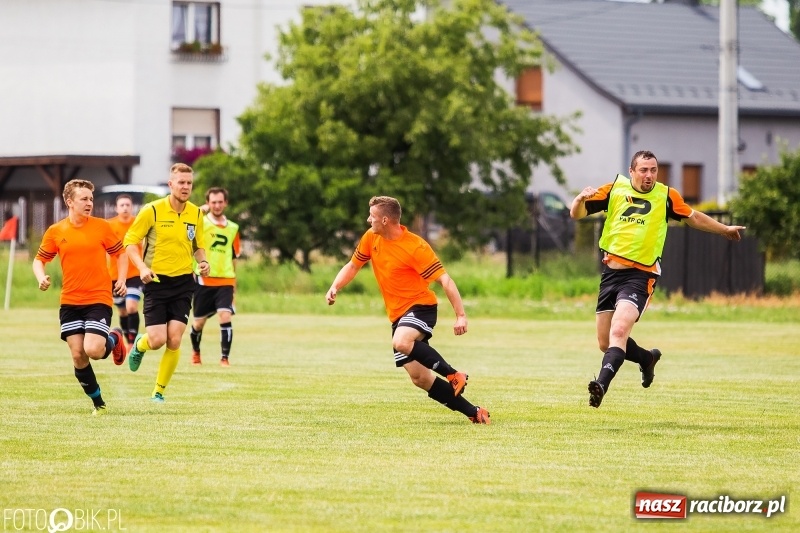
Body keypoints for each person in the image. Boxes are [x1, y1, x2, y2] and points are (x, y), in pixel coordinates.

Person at [570, 150, 745, 408]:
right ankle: (647, 359)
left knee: (619, 330)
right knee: (605, 342)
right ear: (632, 171)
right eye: (643, 170)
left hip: (641, 275)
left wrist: (724, 229)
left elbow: (693, 217)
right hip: (610, 274)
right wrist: (578, 199)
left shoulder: (666, 196)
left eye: (653, 170)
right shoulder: (614, 189)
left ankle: (601, 385)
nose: (649, 175)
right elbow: (577, 214)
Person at [326, 196, 490, 424]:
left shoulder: (416, 246)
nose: (367, 220)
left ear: (385, 219)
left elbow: (445, 280)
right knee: (420, 378)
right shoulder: (371, 238)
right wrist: (335, 286)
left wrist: (461, 315)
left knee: (401, 341)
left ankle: (453, 374)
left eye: (371, 216)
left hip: (421, 307)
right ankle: (474, 412)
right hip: (398, 316)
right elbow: (354, 265)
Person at [32, 179, 128, 416]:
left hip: (98, 297)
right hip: (70, 302)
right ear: (70, 202)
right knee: (78, 355)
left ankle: (114, 338)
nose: (89, 203)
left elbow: (121, 254)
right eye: (84, 199)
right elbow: (39, 260)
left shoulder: (102, 227)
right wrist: (40, 277)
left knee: (94, 349)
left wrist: (122, 280)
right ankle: (99, 404)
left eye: (91, 199)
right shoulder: (56, 231)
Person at [123, 163, 209, 403]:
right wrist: (141, 268)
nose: (185, 187)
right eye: (181, 182)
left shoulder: (196, 213)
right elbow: (130, 242)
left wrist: (203, 262)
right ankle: (140, 345)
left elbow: (198, 246)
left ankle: (158, 392)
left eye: (189, 183)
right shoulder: (152, 210)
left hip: (183, 282)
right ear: (170, 184)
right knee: (158, 339)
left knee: (174, 338)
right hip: (156, 281)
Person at [189, 187, 241, 367]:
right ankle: (196, 352)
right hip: (204, 280)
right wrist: (200, 210)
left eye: (220, 202)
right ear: (208, 203)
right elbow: (187, 220)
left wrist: (234, 283)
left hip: (225, 279)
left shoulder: (233, 228)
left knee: (225, 316)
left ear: (225, 203)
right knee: (198, 323)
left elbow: (234, 257)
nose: (217, 205)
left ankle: (224, 358)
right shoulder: (201, 223)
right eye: (213, 202)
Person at [107, 194, 144, 347]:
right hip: (115, 275)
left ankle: (131, 342)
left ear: (132, 207)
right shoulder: (109, 225)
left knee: (131, 306)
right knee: (122, 311)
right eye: (121, 205)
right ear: (116, 208)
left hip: (135, 273)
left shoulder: (138, 224)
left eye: (127, 205)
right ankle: (125, 337)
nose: (125, 208)